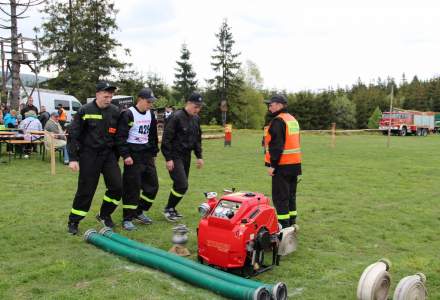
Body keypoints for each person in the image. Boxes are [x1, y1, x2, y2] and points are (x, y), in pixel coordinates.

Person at [66, 81, 122, 235]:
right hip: (89, 156)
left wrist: (121, 154)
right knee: (86, 190)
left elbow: (119, 135)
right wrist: (73, 158)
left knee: (117, 187)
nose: (108, 99)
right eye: (106, 95)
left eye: (111, 96)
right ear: (97, 94)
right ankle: (74, 221)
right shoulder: (85, 110)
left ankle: (104, 215)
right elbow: (73, 135)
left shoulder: (115, 111)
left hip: (108, 155)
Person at [116, 88, 159, 230]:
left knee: (153, 185)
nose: (150, 104)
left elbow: (152, 135)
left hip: (146, 154)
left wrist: (154, 152)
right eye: (148, 102)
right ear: (140, 99)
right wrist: (126, 155)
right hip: (132, 154)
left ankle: (139, 211)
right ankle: (127, 218)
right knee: (132, 187)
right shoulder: (128, 114)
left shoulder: (151, 114)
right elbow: (121, 137)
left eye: (152, 102)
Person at [161, 92, 204, 222]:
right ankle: (168, 208)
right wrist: (168, 158)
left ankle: (172, 208)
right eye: (196, 106)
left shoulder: (196, 119)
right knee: (182, 184)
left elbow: (197, 139)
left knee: (180, 185)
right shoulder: (176, 117)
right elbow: (166, 139)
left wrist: (199, 156)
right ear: (188, 103)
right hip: (175, 155)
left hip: (186, 156)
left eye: (200, 107)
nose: (198, 109)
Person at [263, 95, 302, 228]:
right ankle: (292, 223)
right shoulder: (292, 119)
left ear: (279, 105)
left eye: (271, 104)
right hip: (294, 165)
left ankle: (283, 226)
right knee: (291, 196)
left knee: (281, 198)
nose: (269, 107)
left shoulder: (278, 121)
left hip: (282, 166)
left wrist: (272, 165)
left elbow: (276, 146)